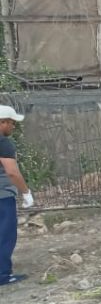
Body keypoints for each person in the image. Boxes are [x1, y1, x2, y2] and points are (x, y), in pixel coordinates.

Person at [0, 104, 33, 286]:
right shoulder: (3, 143)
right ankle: (3, 275)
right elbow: (12, 172)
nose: (13, 127)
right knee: (5, 234)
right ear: (2, 122)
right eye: (11, 123)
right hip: (2, 196)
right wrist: (26, 193)